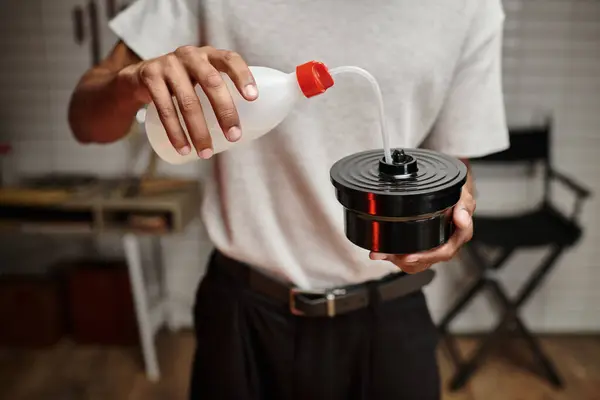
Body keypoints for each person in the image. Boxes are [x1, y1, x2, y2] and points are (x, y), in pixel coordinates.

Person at [68, 0, 509, 398]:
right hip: (244, 316)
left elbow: (451, 164)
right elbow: (85, 122)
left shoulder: (470, 8)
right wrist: (129, 86)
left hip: (388, 318)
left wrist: (453, 211)